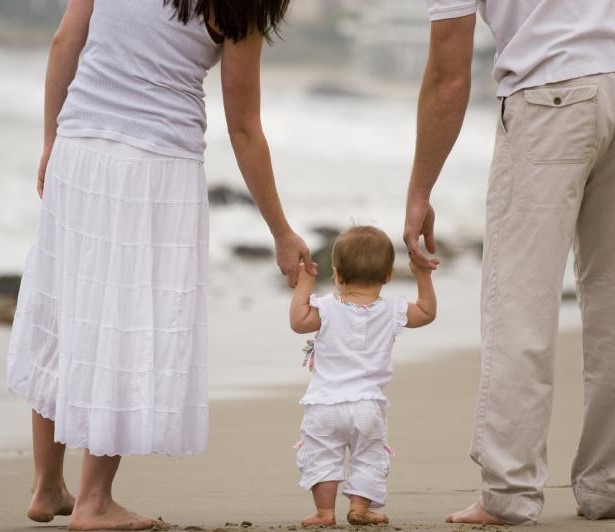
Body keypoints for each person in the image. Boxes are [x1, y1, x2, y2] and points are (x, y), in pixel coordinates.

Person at [6, 0, 315, 529]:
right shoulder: (239, 4)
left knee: (63, 310)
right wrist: (281, 232)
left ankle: (47, 486)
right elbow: (244, 127)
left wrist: (52, 140)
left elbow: (65, 42)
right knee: (127, 324)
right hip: (156, 166)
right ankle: (94, 501)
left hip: (79, 149)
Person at [404, 0, 615, 526]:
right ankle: (607, 484)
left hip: (552, 96)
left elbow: (448, 77)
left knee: (520, 306)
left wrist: (419, 190)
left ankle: (510, 492)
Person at [289, 226, 437, 526]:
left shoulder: (326, 307)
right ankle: (359, 507)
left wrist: (304, 283)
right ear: (388, 276)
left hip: (324, 406)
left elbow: (298, 322)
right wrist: (423, 276)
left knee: (322, 456)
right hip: (368, 406)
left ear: (337, 274)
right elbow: (426, 312)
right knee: (368, 456)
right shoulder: (393, 309)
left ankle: (324, 512)